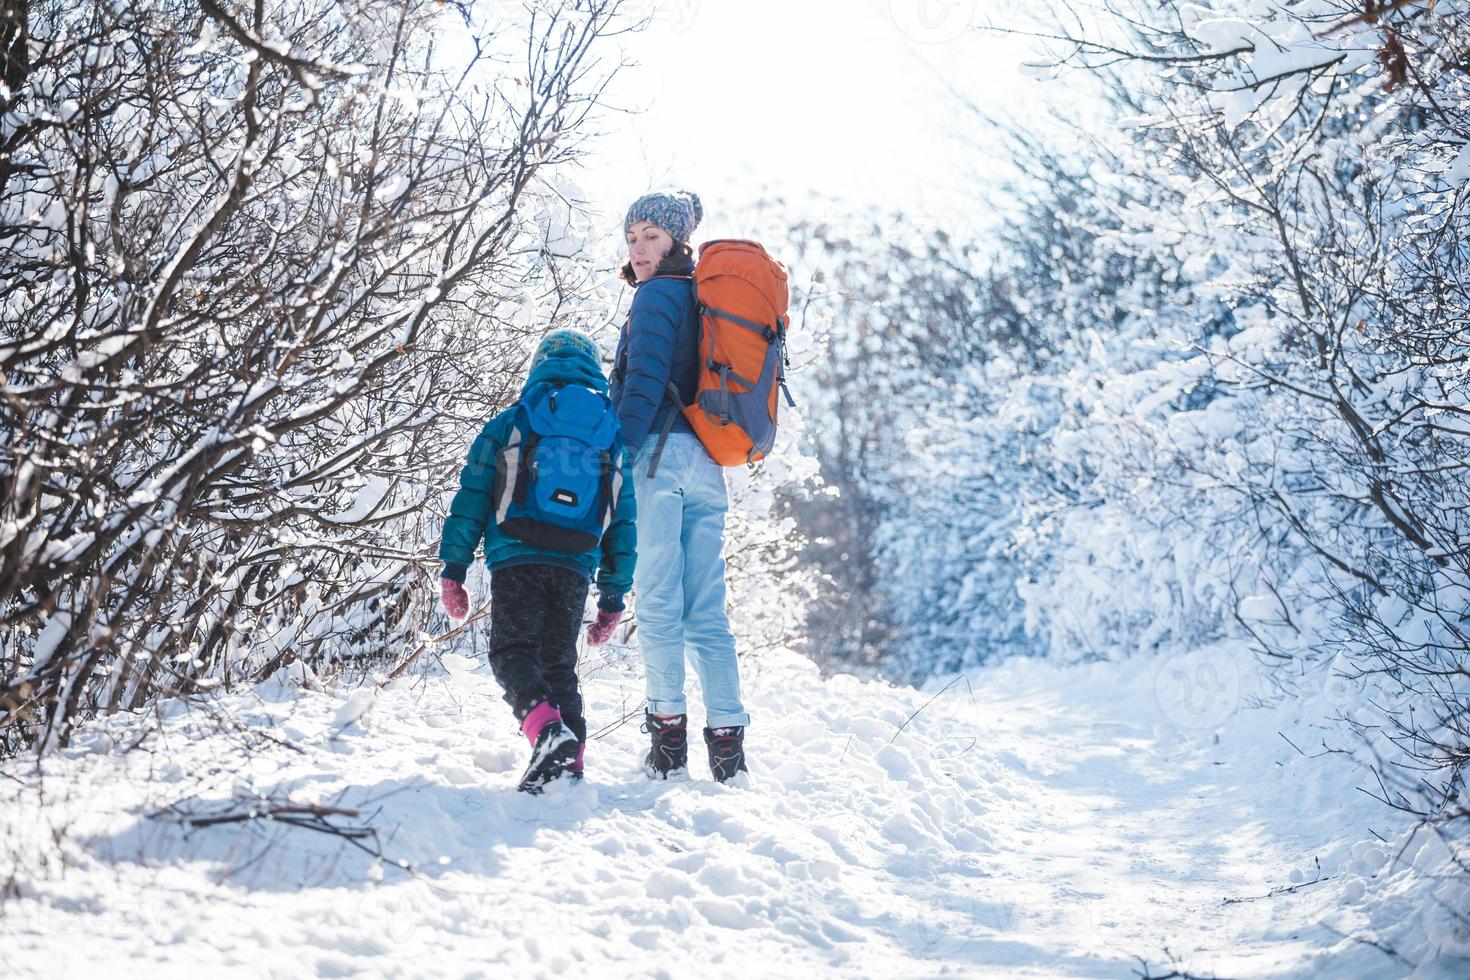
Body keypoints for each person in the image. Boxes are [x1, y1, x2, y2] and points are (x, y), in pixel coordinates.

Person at [438, 329, 635, 793]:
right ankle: (570, 765)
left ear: (539, 365)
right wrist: (613, 594)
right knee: (558, 663)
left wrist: (454, 567)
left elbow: (474, 495)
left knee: (513, 653)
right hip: (575, 564)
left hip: (517, 555)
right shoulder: (611, 432)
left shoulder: (515, 419)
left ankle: (547, 733)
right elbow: (624, 517)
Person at [610, 189, 750, 783]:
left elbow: (642, 381)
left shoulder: (655, 297)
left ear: (675, 241)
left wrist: (616, 452)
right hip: (706, 463)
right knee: (707, 613)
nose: (639, 248)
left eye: (651, 236)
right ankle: (728, 748)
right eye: (632, 237)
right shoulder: (701, 297)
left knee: (661, 605)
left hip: (659, 458)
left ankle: (667, 742)